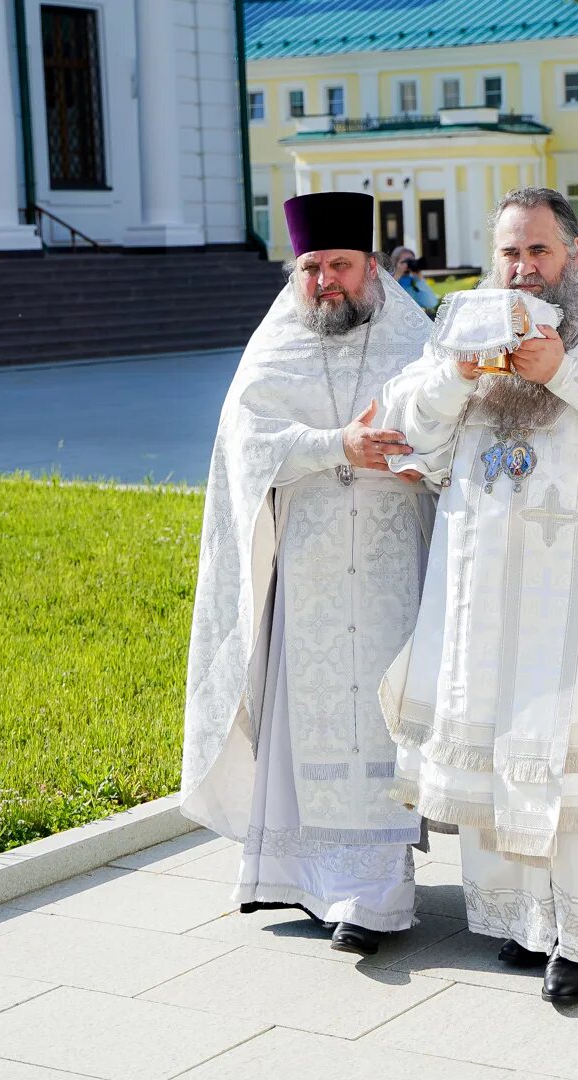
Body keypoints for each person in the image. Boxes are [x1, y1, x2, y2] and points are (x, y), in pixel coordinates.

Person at [378, 187, 578, 1004]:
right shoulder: (467, 319)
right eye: (510, 252)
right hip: (486, 580)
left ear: (573, 253)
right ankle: (523, 919)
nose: (523, 268)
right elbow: (408, 423)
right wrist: (454, 376)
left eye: (539, 251)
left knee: (571, 745)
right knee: (498, 735)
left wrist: (570, 371)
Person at [180, 191, 435, 958]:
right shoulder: (276, 343)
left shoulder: (415, 337)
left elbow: (455, 426)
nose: (327, 281)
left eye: (341, 265)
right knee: (311, 722)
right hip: (310, 569)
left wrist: (423, 458)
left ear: (372, 268)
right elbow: (245, 446)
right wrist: (335, 447)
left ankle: (377, 894)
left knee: (384, 723)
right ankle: (300, 878)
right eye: (313, 267)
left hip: (395, 566)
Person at [390, 246, 440, 316]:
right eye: (404, 261)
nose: (408, 265)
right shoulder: (387, 280)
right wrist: (397, 275)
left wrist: (420, 280)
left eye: (411, 261)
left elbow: (431, 303)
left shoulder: (414, 282)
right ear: (395, 263)